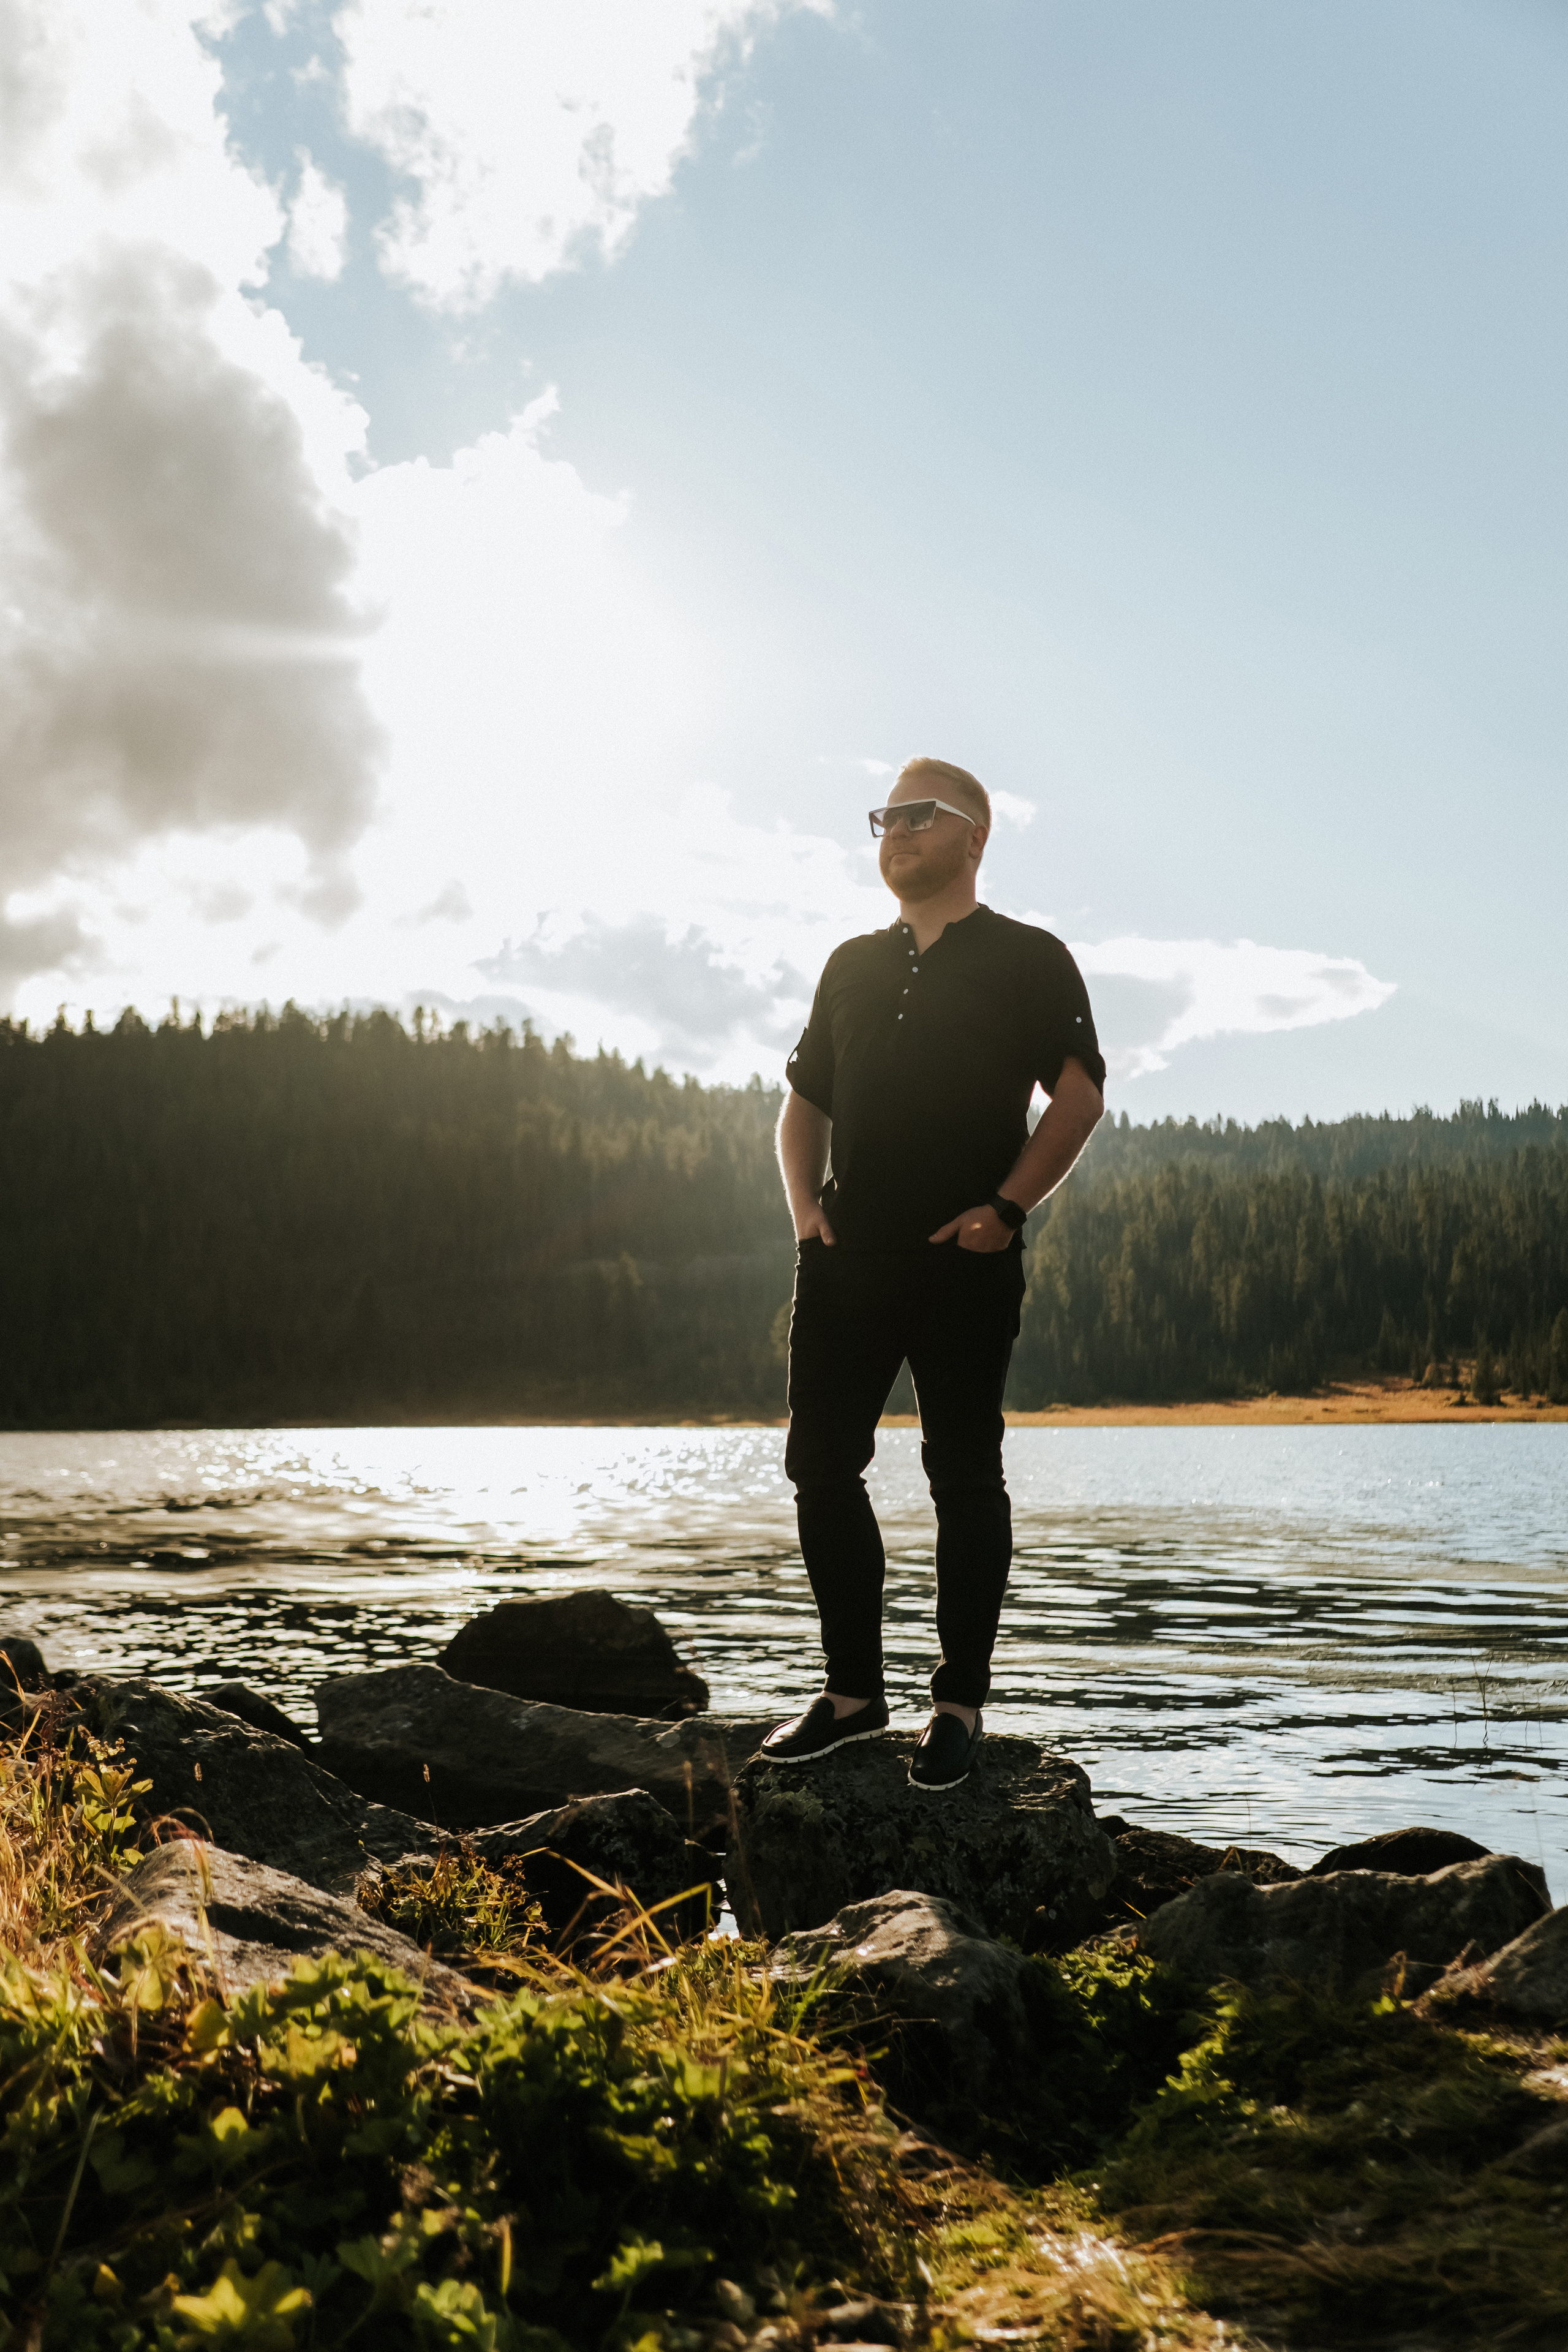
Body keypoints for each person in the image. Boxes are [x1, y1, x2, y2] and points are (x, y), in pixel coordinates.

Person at [763, 756, 1105, 1790]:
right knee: (820, 1468)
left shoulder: (1029, 958)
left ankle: (956, 1705)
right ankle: (852, 1696)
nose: (898, 832)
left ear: (975, 836)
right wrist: (805, 1207)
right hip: (844, 1263)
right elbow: (804, 1101)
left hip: (964, 1264)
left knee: (962, 1476)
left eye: (921, 815)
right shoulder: (849, 965)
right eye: (886, 817)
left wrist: (1005, 1212)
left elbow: (1079, 1099)